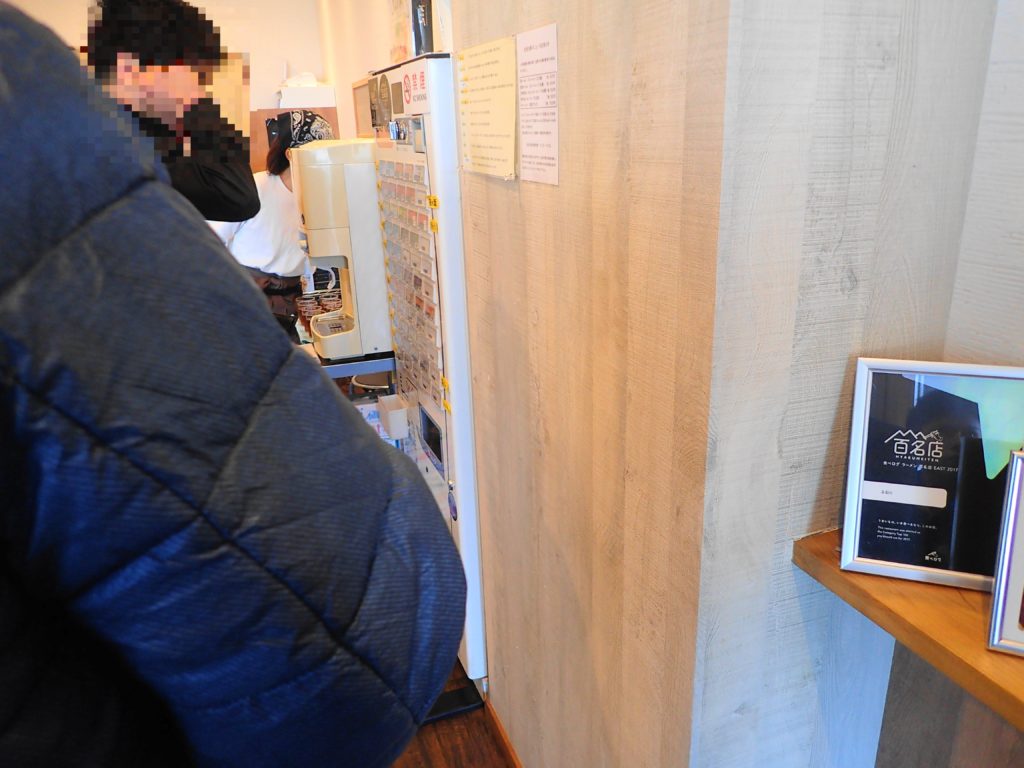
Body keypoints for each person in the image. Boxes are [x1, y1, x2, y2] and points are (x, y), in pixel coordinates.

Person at [0, 6, 465, 767]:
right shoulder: (81, 132)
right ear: (133, 72)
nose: (205, 91)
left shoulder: (94, 144)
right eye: (195, 72)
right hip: (294, 662)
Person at [87, 0, 260, 222]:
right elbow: (238, 196)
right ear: (129, 68)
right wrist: (193, 102)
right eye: (193, 76)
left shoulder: (147, 132)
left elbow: (240, 200)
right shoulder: (107, 145)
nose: (198, 89)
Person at [210, 110, 336, 341]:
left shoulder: (321, 195)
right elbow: (210, 241)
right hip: (246, 298)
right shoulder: (252, 188)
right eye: (317, 152)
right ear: (290, 154)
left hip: (290, 303)